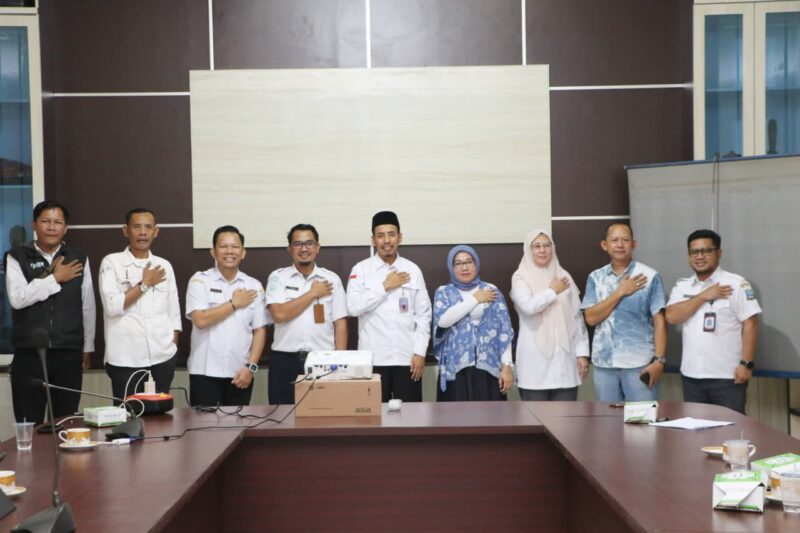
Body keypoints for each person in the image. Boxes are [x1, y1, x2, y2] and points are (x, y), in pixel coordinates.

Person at [4, 201, 96, 423]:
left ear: (66, 228)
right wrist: (55, 278)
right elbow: (18, 298)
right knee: (28, 422)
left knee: (65, 421)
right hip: (29, 352)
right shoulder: (17, 256)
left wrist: (87, 347)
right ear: (34, 224)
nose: (52, 227)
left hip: (68, 352)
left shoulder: (79, 257)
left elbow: (87, 305)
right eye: (45, 221)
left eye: (58, 222)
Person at [665, 229, 760, 414]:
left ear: (719, 253)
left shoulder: (735, 284)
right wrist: (702, 296)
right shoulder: (682, 285)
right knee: (696, 428)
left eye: (706, 251)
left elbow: (751, 324)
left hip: (728, 377)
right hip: (691, 377)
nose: (699, 256)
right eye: (694, 252)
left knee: (731, 427)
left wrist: (747, 363)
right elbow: (671, 316)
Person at [347, 211, 431, 402]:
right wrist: (384, 286)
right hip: (373, 361)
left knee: (411, 415)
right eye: (381, 235)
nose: (386, 240)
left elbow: (424, 315)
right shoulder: (361, 270)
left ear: (399, 237)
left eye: (391, 234)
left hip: (408, 359)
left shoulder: (413, 270)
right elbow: (352, 308)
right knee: (374, 416)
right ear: (373, 240)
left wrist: (420, 352)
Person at [98, 208, 182, 401]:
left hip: (162, 358)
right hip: (125, 359)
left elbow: (173, 313)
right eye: (136, 227)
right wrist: (144, 284)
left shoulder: (164, 265)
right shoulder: (111, 262)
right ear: (126, 230)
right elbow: (112, 306)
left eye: (148, 227)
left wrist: (172, 349)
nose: (143, 233)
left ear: (156, 231)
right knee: (128, 415)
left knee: (160, 414)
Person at [581, 223, 667, 402]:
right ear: (605, 245)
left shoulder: (649, 276)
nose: (620, 245)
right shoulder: (595, 278)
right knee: (608, 418)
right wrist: (620, 292)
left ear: (634, 244)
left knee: (642, 418)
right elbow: (591, 318)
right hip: (604, 365)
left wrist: (659, 360)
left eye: (625, 240)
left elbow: (659, 321)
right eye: (614, 240)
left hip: (640, 364)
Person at [186, 226, 270, 407]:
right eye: (223, 246)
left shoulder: (254, 286)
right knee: (203, 424)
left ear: (243, 252)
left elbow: (260, 331)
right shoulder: (200, 281)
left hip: (240, 374)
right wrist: (234, 303)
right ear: (213, 251)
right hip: (204, 373)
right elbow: (200, 320)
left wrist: (251, 369)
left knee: (237, 424)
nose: (230, 251)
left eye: (235, 246)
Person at [265, 223, 347, 404]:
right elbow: (278, 314)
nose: (304, 249)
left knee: (323, 415)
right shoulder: (278, 277)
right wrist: (312, 294)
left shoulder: (331, 279)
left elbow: (340, 324)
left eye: (309, 243)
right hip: (284, 361)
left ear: (317, 248)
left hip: (323, 361)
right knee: (282, 416)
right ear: (289, 249)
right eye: (298, 244)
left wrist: (340, 362)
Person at [510, 229, 589, 401]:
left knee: (567, 416)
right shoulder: (520, 277)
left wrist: (582, 353)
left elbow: (577, 318)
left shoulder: (563, 276)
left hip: (565, 362)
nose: (542, 250)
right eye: (537, 246)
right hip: (534, 364)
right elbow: (529, 307)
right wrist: (552, 291)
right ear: (528, 250)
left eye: (547, 245)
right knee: (535, 416)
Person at [432, 245, 514, 401]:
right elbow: (443, 321)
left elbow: (504, 331)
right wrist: (475, 299)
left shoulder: (491, 290)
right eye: (458, 263)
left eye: (469, 262)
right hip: (456, 369)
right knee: (457, 415)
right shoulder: (443, 292)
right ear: (451, 267)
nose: (464, 267)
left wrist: (507, 366)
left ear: (476, 264)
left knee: (490, 415)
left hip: (488, 367)